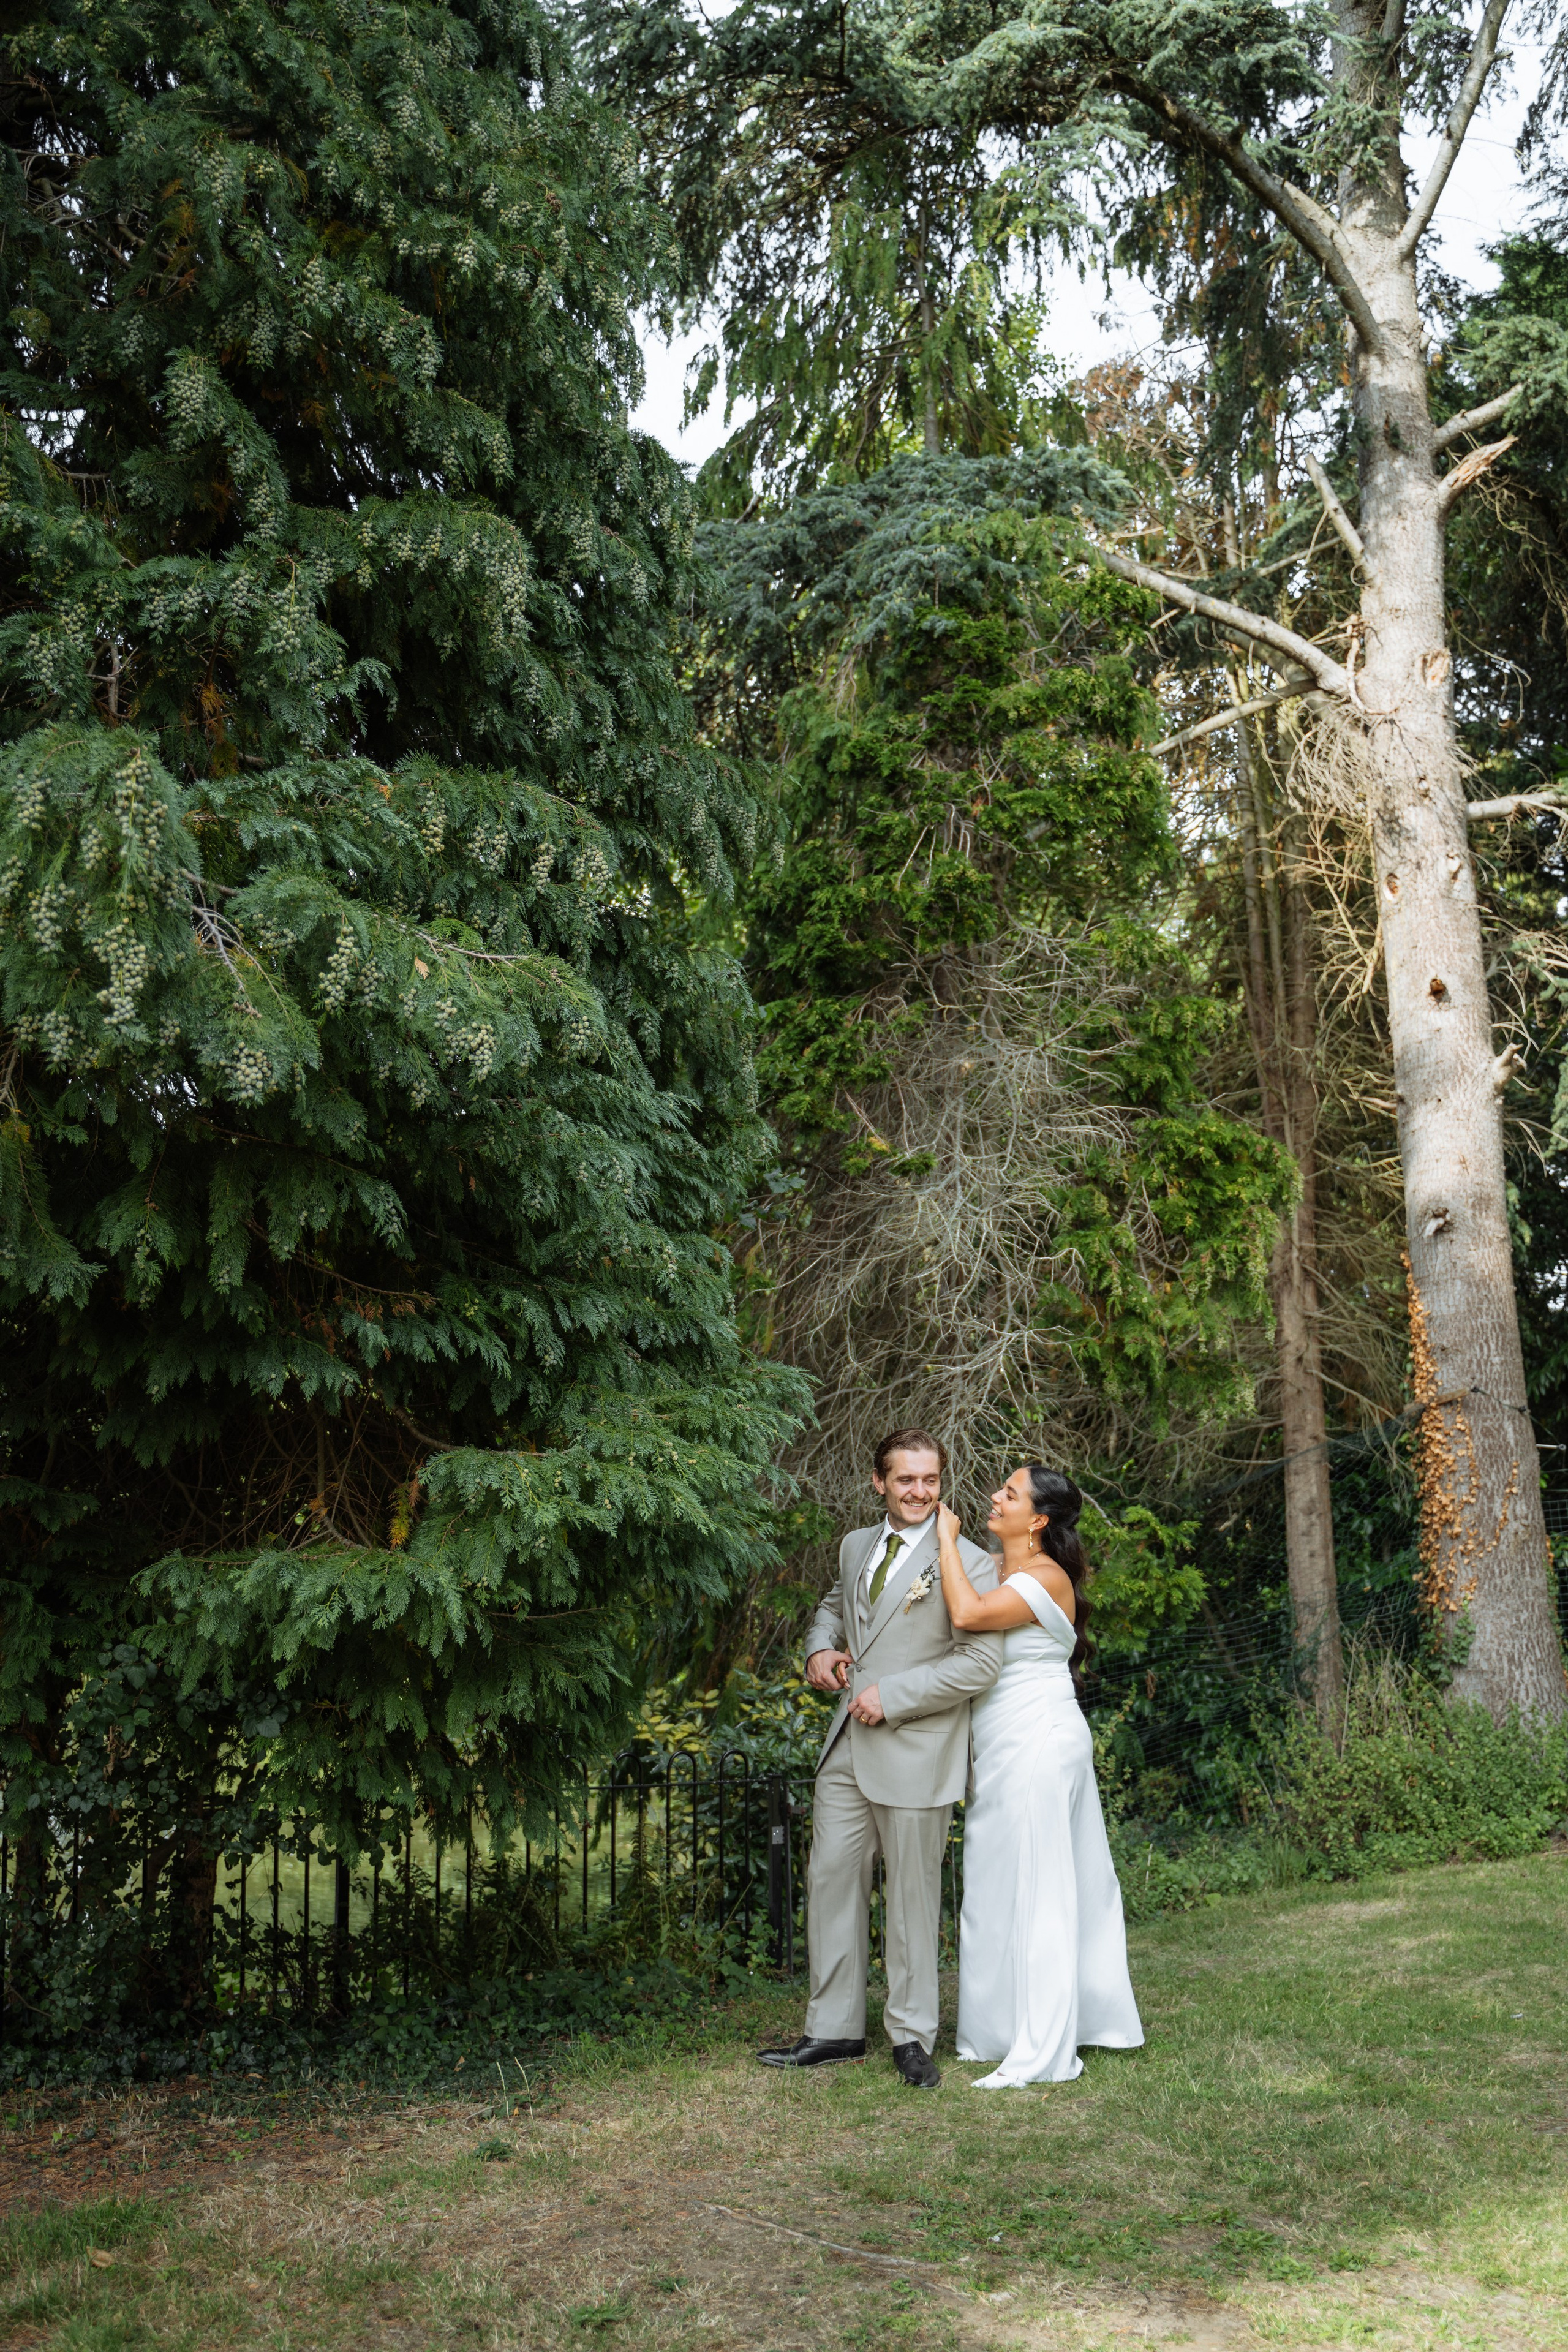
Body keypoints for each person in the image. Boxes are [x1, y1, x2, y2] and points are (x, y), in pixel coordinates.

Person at [757, 1428, 1003, 2089]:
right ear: (879, 1483)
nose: (919, 1491)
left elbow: (979, 1662)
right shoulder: (855, 1546)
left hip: (917, 1749)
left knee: (913, 1902)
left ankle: (911, 2036)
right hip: (845, 1748)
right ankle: (834, 2031)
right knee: (830, 1881)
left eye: (930, 1480)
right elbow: (835, 1607)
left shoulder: (972, 1563)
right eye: (905, 1480)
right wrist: (818, 1649)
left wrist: (890, 1696)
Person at [935, 1466, 1144, 2086]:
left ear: (1040, 1520)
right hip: (1002, 1743)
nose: (993, 1498)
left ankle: (1044, 2042)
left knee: (1041, 1885)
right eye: (999, 1488)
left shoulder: (1045, 1575)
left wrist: (945, 1540)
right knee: (998, 1883)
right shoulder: (997, 1567)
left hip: (1040, 1738)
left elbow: (968, 1616)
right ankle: (996, 2028)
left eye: (1009, 1494)